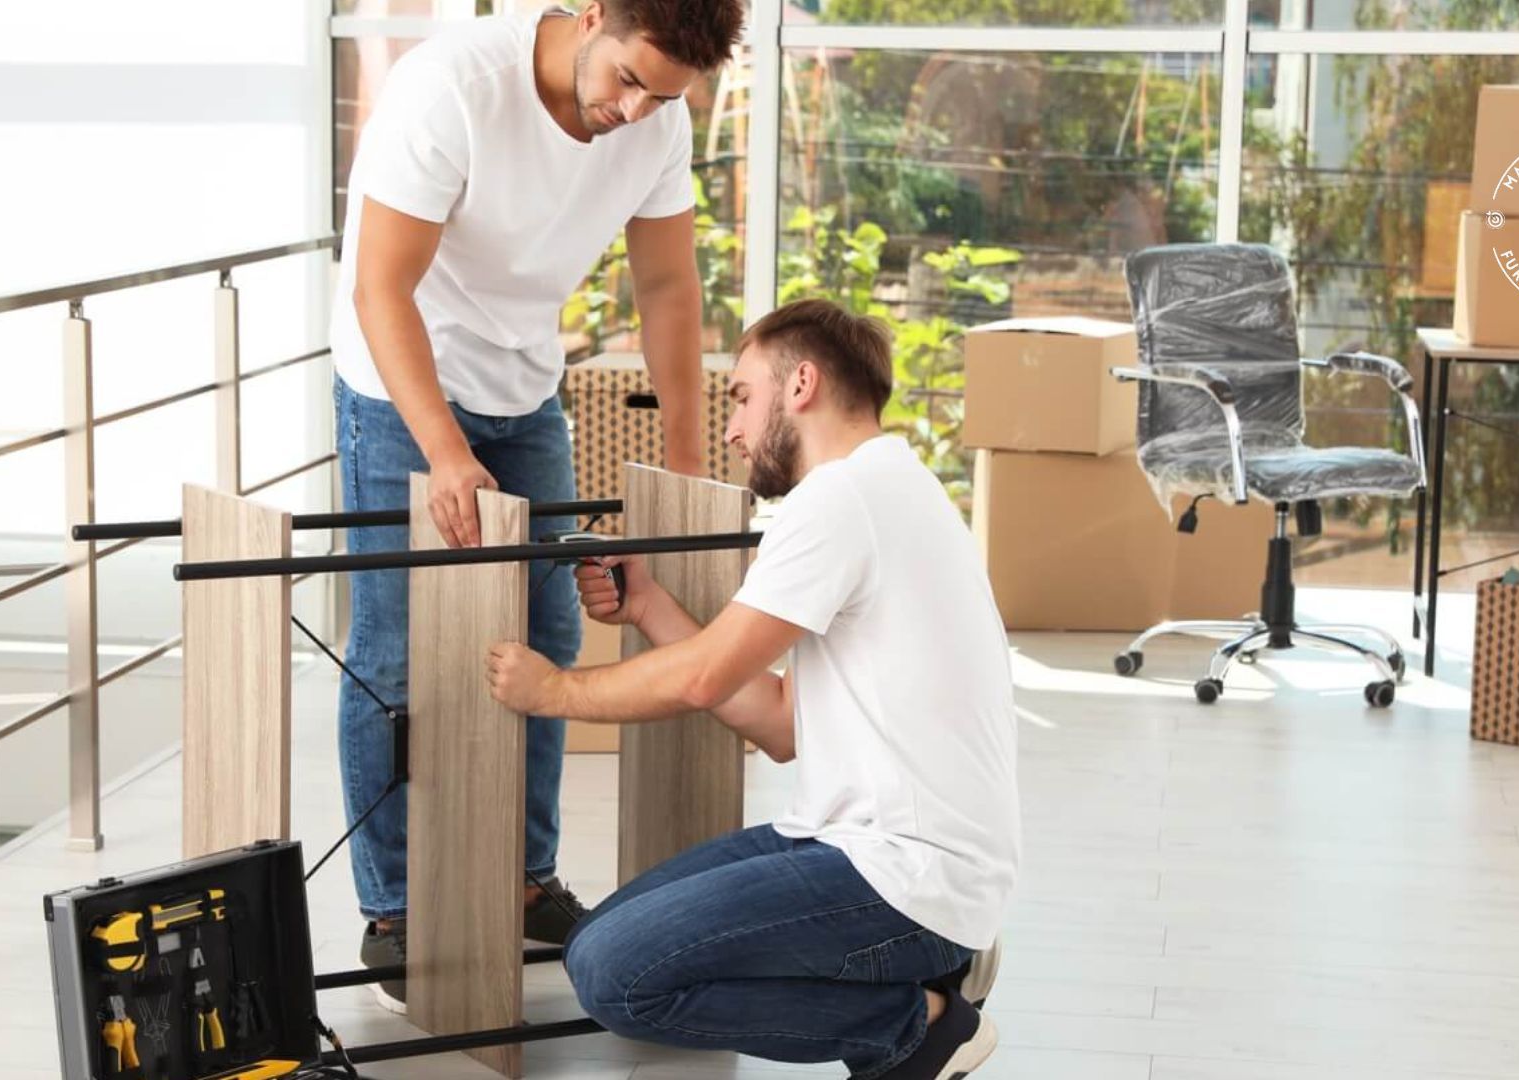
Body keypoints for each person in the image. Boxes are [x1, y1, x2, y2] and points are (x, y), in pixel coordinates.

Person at [331, 0, 747, 1014]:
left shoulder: (660, 119)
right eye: (627, 79)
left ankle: (524, 876)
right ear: (594, 12)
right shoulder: (452, 86)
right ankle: (395, 907)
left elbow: (668, 291)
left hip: (524, 387)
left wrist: (685, 475)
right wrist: (442, 451)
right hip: (400, 390)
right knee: (396, 650)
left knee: (552, 628)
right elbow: (380, 288)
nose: (635, 108)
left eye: (663, 95)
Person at [486, 299, 1022, 1080]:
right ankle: (923, 967)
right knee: (600, 936)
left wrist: (554, 691)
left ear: (800, 383)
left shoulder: (839, 499)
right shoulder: (890, 485)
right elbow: (776, 725)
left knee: (613, 973)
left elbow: (706, 675)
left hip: (905, 873)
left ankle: (916, 1028)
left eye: (740, 396)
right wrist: (649, 608)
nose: (732, 429)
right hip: (858, 844)